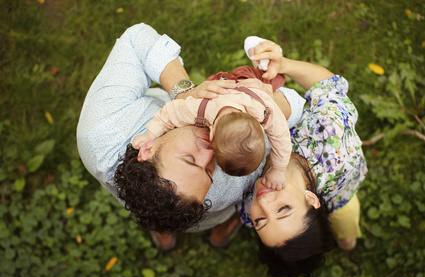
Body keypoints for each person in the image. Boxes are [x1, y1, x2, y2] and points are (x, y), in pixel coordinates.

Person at [77, 23, 306, 250]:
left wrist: (183, 92)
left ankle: (162, 233)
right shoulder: (229, 182)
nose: (210, 153)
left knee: (158, 217)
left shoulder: (103, 126)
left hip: (197, 207)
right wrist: (264, 101)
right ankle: (218, 233)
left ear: (147, 149)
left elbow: (137, 39)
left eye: (189, 158)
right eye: (208, 172)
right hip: (215, 210)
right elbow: (287, 119)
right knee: (221, 214)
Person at [238, 41, 368, 277]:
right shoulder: (332, 134)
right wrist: (284, 64)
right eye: (283, 209)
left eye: (260, 221)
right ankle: (347, 237)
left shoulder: (247, 201)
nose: (264, 203)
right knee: (346, 212)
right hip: (342, 184)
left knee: (343, 221)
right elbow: (327, 86)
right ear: (311, 199)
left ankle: (346, 236)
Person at [132, 65, 291, 189]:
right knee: (268, 78)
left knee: (271, 79)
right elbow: (169, 113)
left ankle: (267, 65)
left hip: (248, 84)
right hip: (229, 85)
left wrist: (279, 170)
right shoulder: (202, 107)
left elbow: (282, 138)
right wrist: (149, 135)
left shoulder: (264, 109)